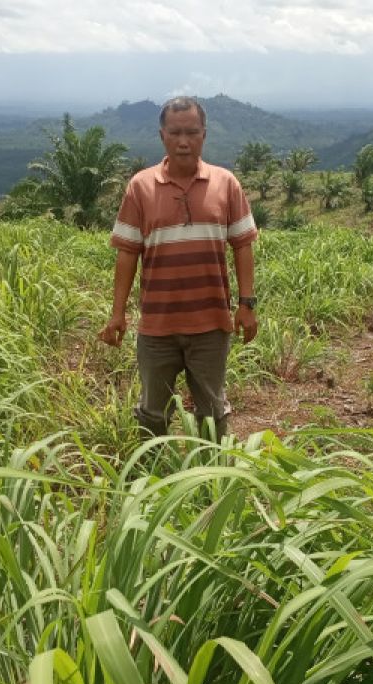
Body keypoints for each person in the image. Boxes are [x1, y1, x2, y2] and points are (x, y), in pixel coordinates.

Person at [99, 96, 258, 439]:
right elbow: (127, 254)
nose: (183, 141)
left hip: (212, 325)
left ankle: (214, 481)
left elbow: (243, 245)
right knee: (152, 412)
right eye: (175, 133)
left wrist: (247, 305)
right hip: (157, 327)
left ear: (204, 135)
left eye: (191, 132)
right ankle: (152, 479)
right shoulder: (140, 187)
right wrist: (117, 314)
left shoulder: (226, 183)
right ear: (162, 136)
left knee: (213, 412)